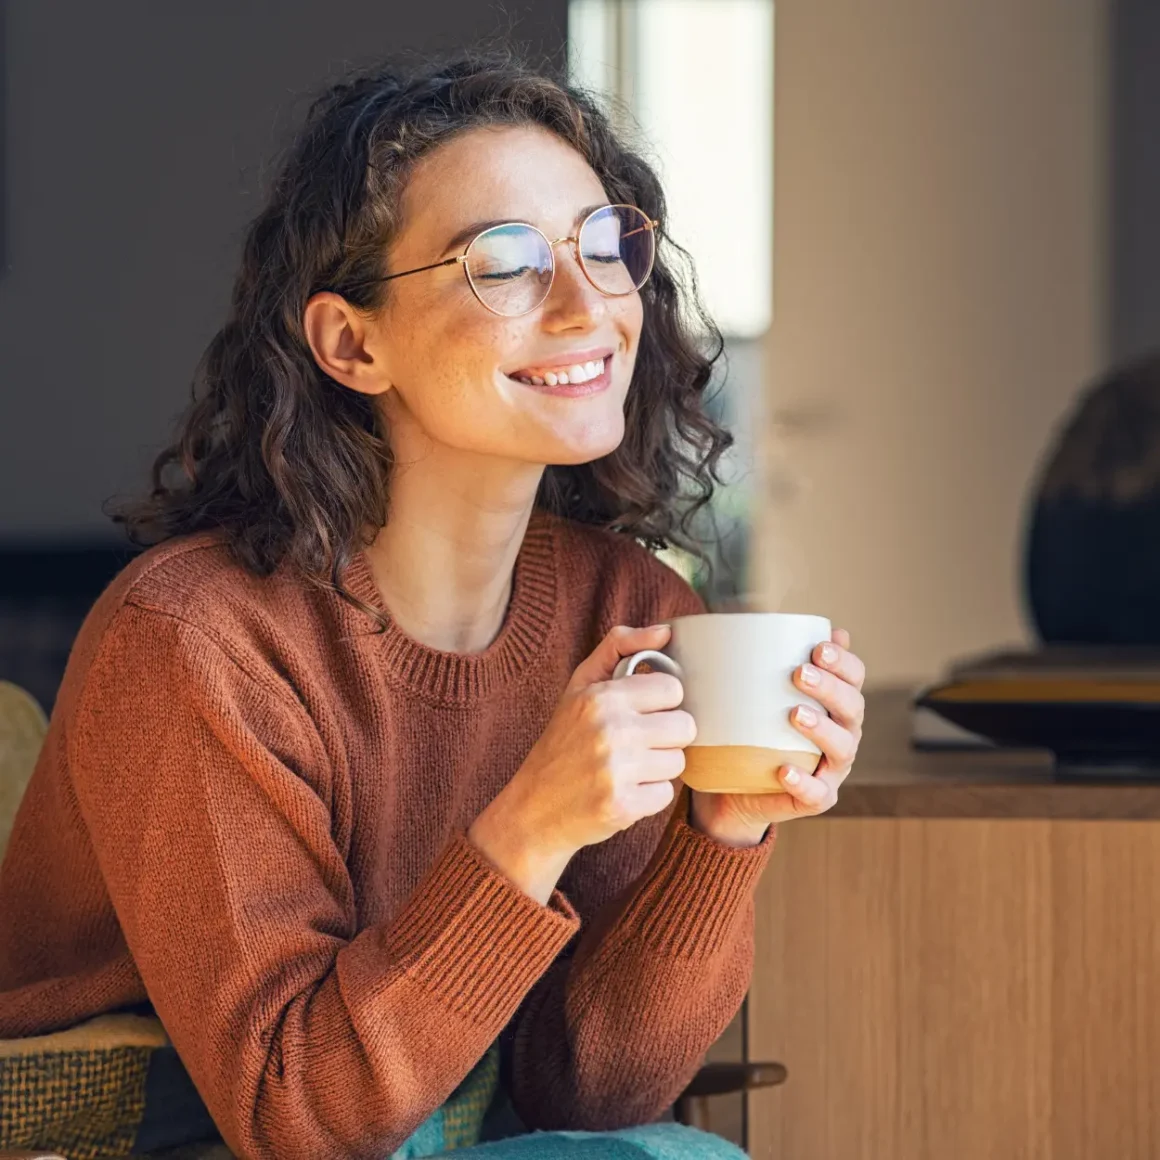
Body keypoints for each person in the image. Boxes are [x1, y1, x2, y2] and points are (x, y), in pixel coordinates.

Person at [0, 54, 866, 1160]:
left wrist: (724, 826)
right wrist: (530, 824)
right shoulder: (194, 639)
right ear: (351, 344)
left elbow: (587, 1092)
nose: (586, 303)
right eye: (502, 264)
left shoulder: (625, 609)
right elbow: (292, 1115)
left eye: (604, 244)